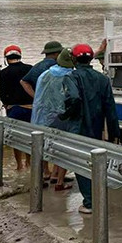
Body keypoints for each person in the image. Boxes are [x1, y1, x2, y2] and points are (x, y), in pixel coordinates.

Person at [61, 43, 120, 214]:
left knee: (81, 164)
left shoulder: (71, 77)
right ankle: (98, 198)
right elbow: (110, 107)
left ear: (73, 58)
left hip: (78, 127)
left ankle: (89, 202)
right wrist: (115, 133)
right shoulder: (102, 79)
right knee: (97, 163)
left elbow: (73, 98)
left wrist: (65, 115)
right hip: (97, 128)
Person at [32, 48, 77, 190]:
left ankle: (43, 176)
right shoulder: (70, 75)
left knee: (42, 146)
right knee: (62, 146)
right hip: (62, 116)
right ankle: (59, 180)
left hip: (42, 116)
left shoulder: (45, 74)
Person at [0, 45, 33, 170]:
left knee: (16, 138)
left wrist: (5, 104)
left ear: (6, 58)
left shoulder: (3, 73)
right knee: (30, 136)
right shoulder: (30, 69)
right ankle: (29, 162)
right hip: (31, 108)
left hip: (13, 109)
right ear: (20, 56)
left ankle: (19, 165)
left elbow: (2, 91)